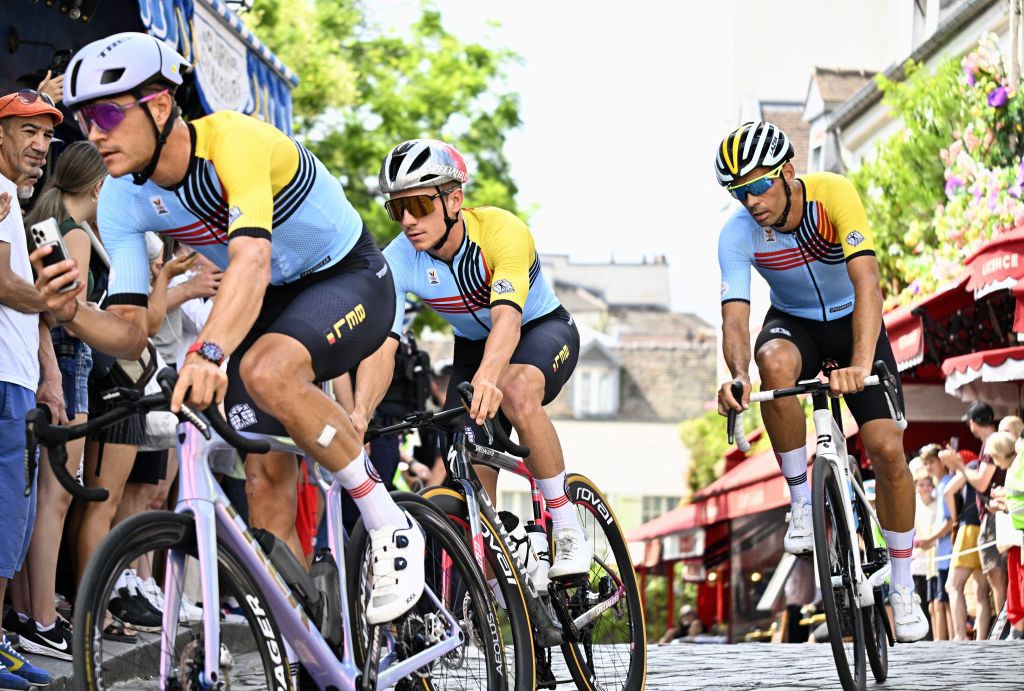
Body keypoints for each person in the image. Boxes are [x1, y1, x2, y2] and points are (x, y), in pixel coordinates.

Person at [32, 33, 421, 625]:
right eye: (84, 118)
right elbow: (134, 330)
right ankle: (305, 642)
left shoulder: (231, 141)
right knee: (263, 477)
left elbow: (251, 262)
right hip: (268, 303)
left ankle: (390, 524)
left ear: (159, 105)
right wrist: (72, 314)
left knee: (267, 369)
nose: (94, 132)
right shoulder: (118, 200)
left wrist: (209, 352)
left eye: (108, 113)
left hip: (345, 277)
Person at [713, 121, 928, 642]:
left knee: (886, 447)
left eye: (759, 184)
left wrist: (859, 363)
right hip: (796, 324)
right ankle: (801, 500)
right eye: (738, 192)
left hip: (856, 321)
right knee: (774, 362)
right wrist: (737, 377)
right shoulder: (737, 234)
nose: (751, 200)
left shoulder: (832, 195)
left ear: (787, 172)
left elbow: (868, 283)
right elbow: (736, 319)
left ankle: (902, 584)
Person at [350, 139, 587, 583]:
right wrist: (361, 414)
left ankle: (565, 519)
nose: (406, 220)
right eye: (395, 208)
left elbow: (507, 319)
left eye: (418, 204)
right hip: (473, 346)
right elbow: (385, 344)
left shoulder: (501, 231)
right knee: (463, 456)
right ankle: (497, 573)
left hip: (538, 329)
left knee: (514, 391)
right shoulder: (399, 258)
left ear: (454, 199)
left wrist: (488, 377)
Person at [8, 141, 108, 660]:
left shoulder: (45, 222)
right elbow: (62, 310)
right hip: (67, 363)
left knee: (41, 496)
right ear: (98, 183)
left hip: (49, 359)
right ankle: (42, 619)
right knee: (56, 496)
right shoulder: (74, 234)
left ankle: (31, 613)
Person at [0, 89, 65, 689]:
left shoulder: (14, 204)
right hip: (2, 381)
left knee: (11, 517)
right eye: (27, 132)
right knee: (5, 516)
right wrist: (52, 300)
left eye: (46, 135)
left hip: (18, 377)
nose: (41, 146)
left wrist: (48, 373)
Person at [943, 401, 1005, 638]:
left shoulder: (990, 444)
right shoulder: (992, 443)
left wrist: (958, 464)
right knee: (986, 583)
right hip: (989, 516)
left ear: (973, 422)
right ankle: (992, 633)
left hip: (986, 518)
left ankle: (997, 629)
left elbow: (980, 482)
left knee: (992, 578)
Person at [918, 444, 954, 640]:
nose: (929, 467)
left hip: (947, 551)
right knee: (942, 600)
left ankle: (952, 639)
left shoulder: (946, 483)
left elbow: (950, 521)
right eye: (926, 463)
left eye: (931, 462)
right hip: (940, 552)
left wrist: (930, 539)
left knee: (946, 599)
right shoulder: (940, 486)